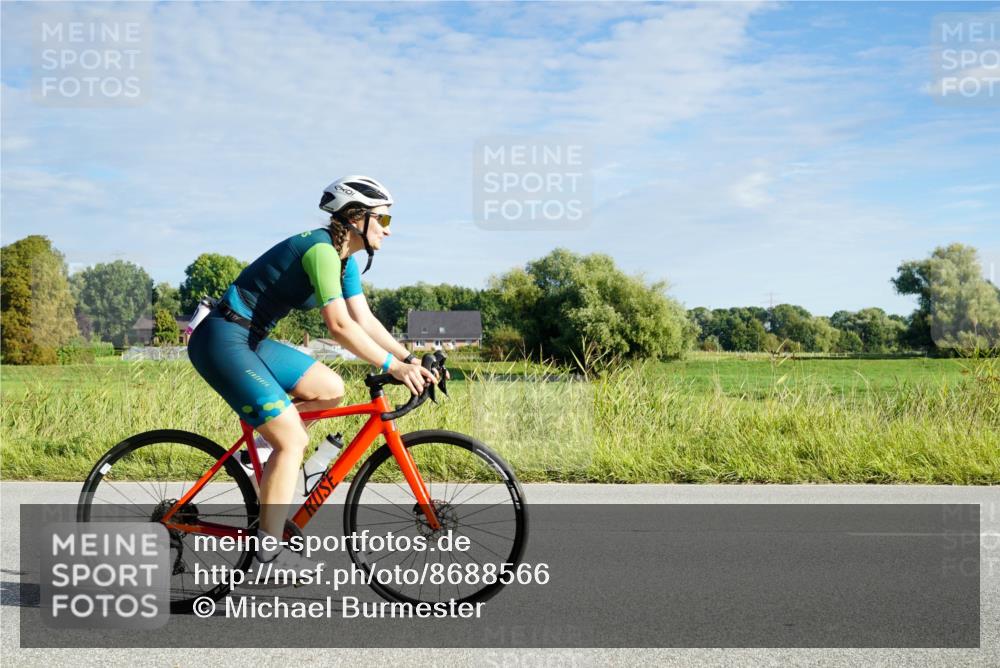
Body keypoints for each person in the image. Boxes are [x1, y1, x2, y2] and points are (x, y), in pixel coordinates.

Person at [187, 175, 437, 574]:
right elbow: (339, 326)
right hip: (221, 337)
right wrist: (393, 367)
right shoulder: (321, 251)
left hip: (249, 338)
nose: (390, 231)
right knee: (293, 439)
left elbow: (364, 319)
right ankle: (269, 552)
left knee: (329, 388)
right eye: (384, 220)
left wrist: (412, 357)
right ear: (356, 217)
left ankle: (261, 460)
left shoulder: (345, 260)